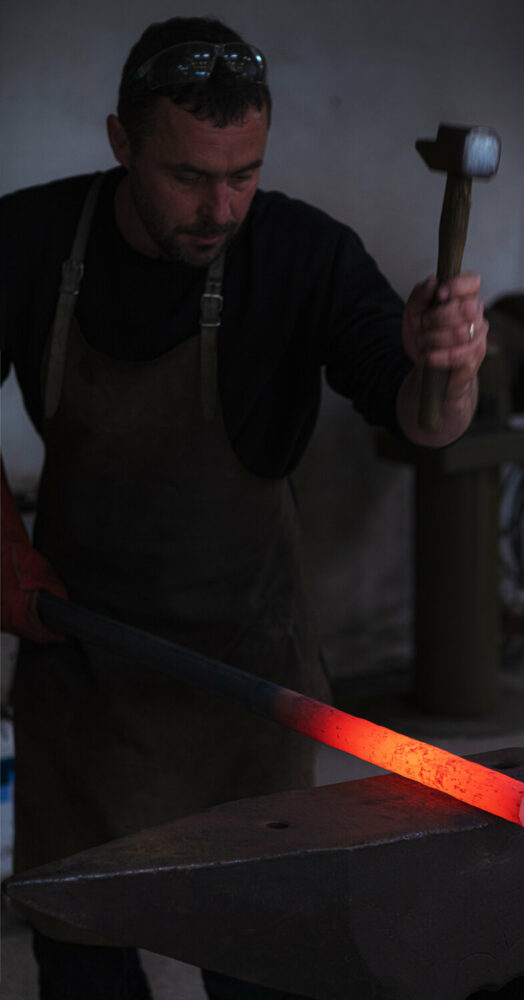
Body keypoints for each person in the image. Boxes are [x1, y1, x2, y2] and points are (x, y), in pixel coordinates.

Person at [0, 15, 488, 1000]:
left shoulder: (304, 253)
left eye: (245, 174)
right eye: (189, 176)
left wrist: (451, 369)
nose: (220, 208)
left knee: (261, 955)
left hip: (248, 677)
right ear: (121, 141)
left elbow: (423, 420)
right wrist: (2, 546)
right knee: (82, 952)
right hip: (82, 669)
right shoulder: (31, 240)